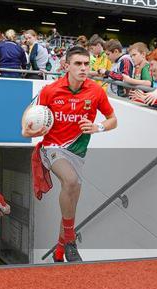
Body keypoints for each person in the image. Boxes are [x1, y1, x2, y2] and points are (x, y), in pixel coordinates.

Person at [22, 46, 118, 262]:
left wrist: (98, 127)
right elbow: (28, 122)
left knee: (71, 201)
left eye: (86, 64)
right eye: (78, 64)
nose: (83, 68)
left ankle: (59, 250)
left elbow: (113, 120)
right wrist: (27, 131)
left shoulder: (96, 91)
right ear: (66, 66)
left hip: (78, 153)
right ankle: (71, 242)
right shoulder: (50, 90)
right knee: (71, 181)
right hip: (52, 148)